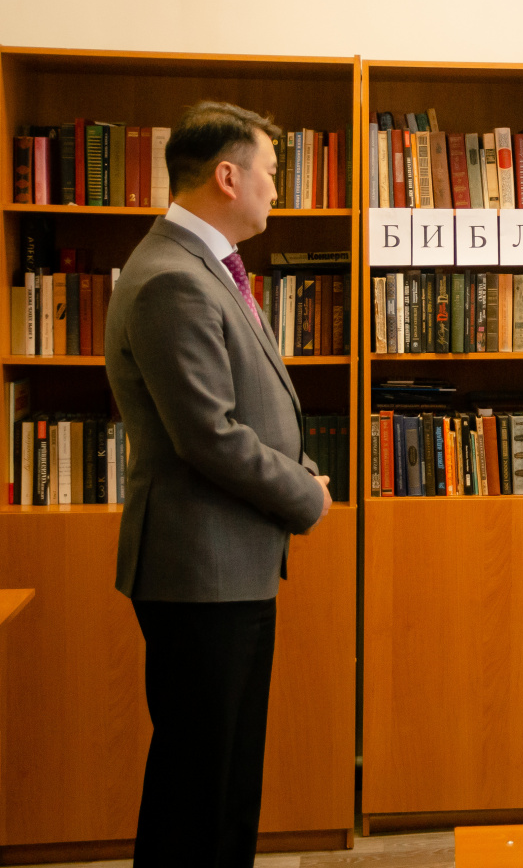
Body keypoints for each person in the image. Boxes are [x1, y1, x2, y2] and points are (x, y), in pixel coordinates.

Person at [105, 101, 332, 866]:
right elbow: (208, 435)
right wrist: (303, 494)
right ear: (227, 177)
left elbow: (241, 408)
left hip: (229, 566)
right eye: (270, 172)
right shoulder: (172, 278)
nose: (277, 189)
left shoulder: (205, 267)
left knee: (225, 783)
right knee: (198, 791)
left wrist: (296, 468)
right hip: (199, 571)